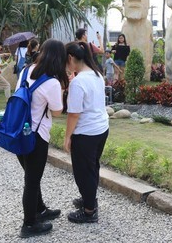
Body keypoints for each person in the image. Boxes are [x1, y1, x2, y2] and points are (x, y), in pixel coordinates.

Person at [15, 39, 68, 238]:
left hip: (20, 131)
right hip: (37, 136)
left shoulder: (25, 71)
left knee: (31, 176)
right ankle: (29, 224)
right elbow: (57, 111)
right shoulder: (52, 82)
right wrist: (62, 89)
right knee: (32, 180)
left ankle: (41, 209)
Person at [64, 41, 109, 224]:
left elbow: (74, 114)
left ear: (70, 59)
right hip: (101, 128)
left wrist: (67, 137)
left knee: (83, 172)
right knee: (92, 168)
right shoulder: (97, 74)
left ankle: (89, 211)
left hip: (86, 133)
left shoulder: (78, 82)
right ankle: (89, 198)